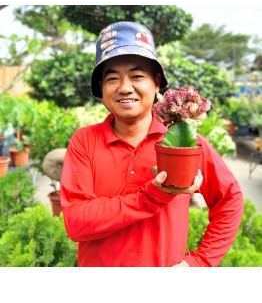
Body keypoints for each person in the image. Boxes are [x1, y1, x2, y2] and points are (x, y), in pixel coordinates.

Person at [60, 21, 244, 267]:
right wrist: (152, 197)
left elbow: (230, 199)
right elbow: (77, 223)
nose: (125, 88)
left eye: (137, 76)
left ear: (157, 83)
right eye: (112, 78)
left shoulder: (184, 143)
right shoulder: (85, 141)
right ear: (101, 89)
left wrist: (200, 262)